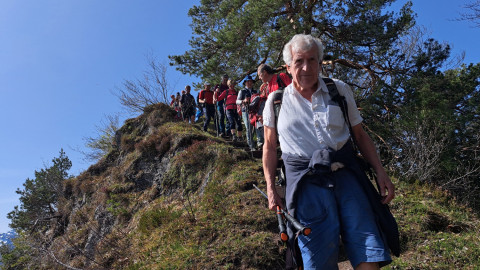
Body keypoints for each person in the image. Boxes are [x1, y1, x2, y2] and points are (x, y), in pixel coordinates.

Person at [262, 34, 395, 269]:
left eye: (312, 60)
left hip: (347, 177)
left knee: (367, 245)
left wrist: (380, 172)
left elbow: (360, 136)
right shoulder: (276, 101)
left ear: (320, 62)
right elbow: (270, 147)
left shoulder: (339, 90)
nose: (306, 67)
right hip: (306, 187)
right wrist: (271, 189)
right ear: (288, 67)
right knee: (317, 257)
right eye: (299, 61)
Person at [236, 75, 257, 150]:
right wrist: (243, 101)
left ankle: (255, 143)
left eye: (251, 81)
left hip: (254, 111)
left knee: (255, 128)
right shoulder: (242, 91)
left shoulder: (255, 91)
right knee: (248, 128)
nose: (249, 83)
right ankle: (251, 145)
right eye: (248, 81)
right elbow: (237, 101)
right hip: (245, 111)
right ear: (245, 83)